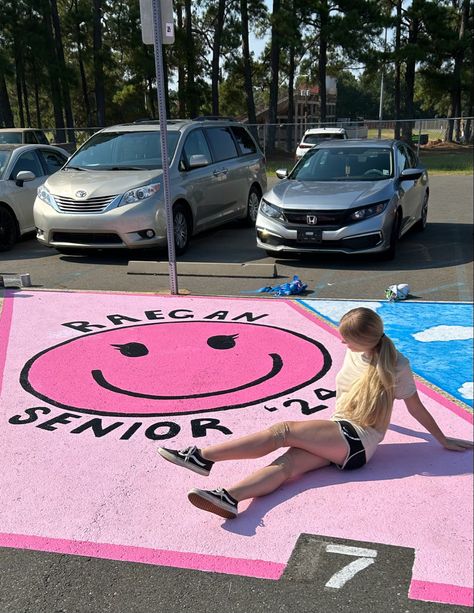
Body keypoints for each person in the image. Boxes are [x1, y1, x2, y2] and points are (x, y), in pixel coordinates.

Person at [157, 307, 473, 519]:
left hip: (354, 439)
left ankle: (202, 457)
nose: (341, 340)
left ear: (363, 340)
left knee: (284, 431)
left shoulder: (396, 365)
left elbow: (415, 406)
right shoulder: (361, 352)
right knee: (287, 465)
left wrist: (442, 439)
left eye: (346, 337)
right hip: (348, 443)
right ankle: (229, 497)